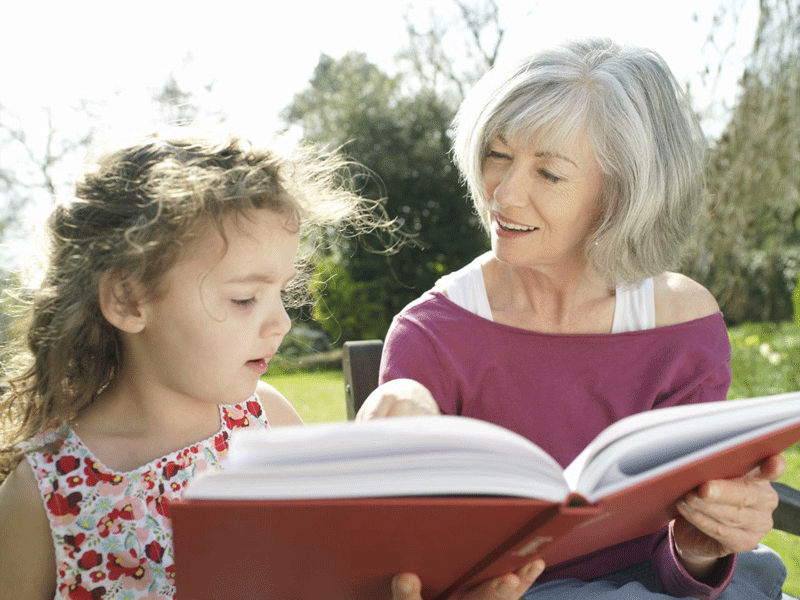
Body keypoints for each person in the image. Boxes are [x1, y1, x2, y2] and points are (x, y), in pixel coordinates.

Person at [0, 133, 544, 600]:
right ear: (128, 299)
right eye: (244, 299)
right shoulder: (45, 490)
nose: (280, 324)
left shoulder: (267, 423)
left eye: (281, 293)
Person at [359, 38, 787, 600]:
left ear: (622, 195)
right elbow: (400, 564)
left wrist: (703, 545)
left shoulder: (681, 326)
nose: (504, 195)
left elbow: (685, 563)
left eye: (549, 174)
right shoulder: (433, 333)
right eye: (497, 154)